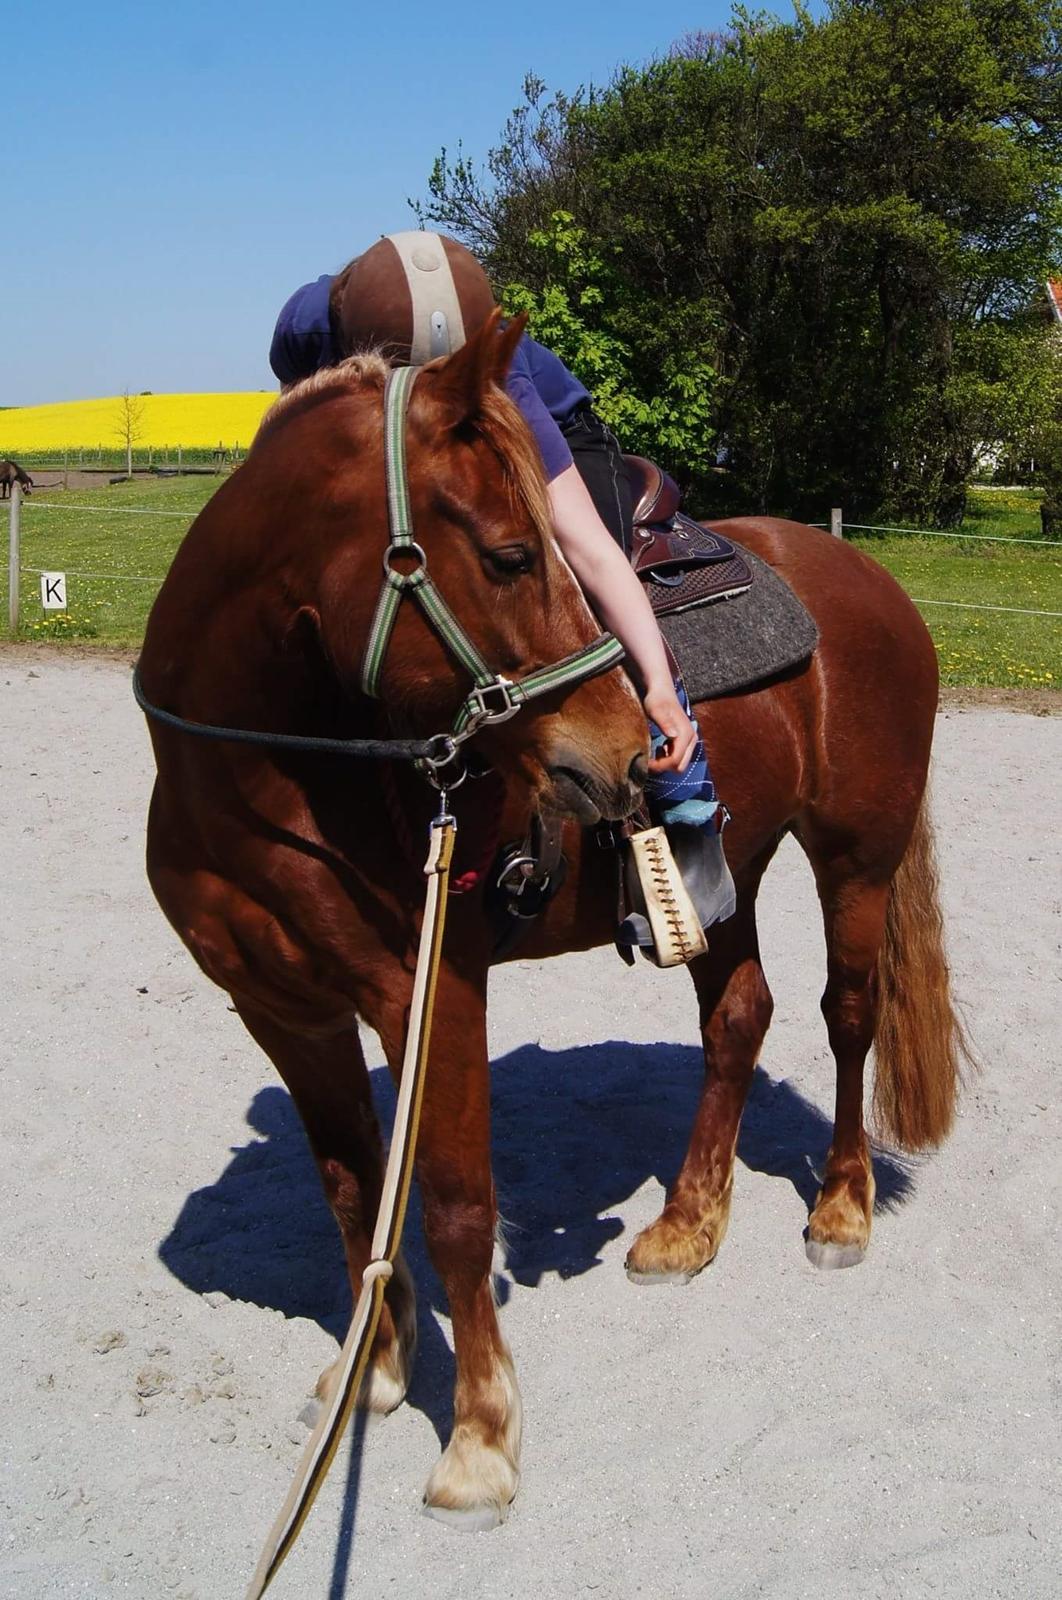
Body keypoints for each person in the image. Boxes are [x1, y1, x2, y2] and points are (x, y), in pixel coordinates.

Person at [269, 231, 735, 944]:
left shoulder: (505, 379)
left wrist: (660, 688)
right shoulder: (309, 328)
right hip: (392, 435)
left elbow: (589, 549)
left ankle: (684, 817)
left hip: (534, 424)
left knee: (557, 576)